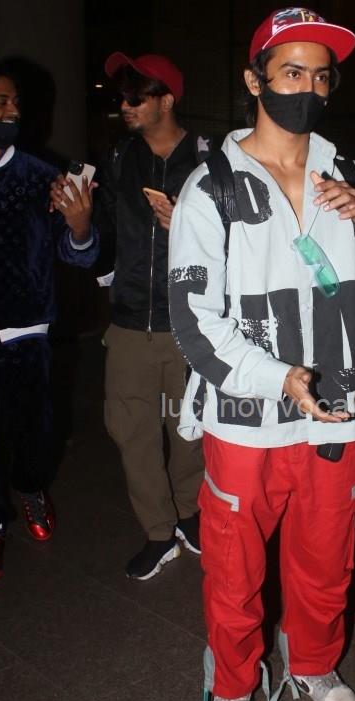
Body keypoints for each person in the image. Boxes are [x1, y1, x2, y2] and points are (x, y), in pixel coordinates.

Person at [168, 8, 355, 701]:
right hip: (245, 417)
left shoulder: (350, 176)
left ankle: (313, 664)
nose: (308, 90)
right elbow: (194, 324)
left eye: (321, 77)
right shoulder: (210, 188)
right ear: (255, 81)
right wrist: (278, 377)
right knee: (235, 569)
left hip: (337, 413)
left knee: (326, 557)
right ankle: (231, 685)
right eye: (291, 73)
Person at [97, 53, 209, 580]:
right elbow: (97, 242)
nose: (124, 105)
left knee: (190, 431)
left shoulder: (212, 160)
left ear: (167, 99)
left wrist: (183, 223)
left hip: (190, 323)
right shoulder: (119, 159)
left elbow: (238, 242)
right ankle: (159, 533)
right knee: (131, 433)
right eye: (121, 96)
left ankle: (189, 514)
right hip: (128, 324)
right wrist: (79, 228)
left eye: (135, 96)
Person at [0, 61, 99, 580]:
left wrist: (80, 227)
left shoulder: (41, 176)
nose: (12, 111)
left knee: (35, 431)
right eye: (0, 101)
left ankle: (32, 487)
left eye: (15, 101)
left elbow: (80, 255)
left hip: (25, 332)